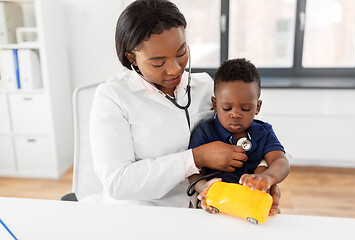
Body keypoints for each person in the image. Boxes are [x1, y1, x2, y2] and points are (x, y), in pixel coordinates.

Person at [89, 0, 282, 212]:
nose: (174, 70)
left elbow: (252, 134)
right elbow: (118, 182)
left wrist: (264, 176)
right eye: (158, 63)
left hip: (208, 208)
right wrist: (196, 158)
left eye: (181, 52)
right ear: (131, 57)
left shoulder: (205, 86)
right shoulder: (113, 97)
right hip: (144, 213)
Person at [188, 58, 290, 213]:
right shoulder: (205, 132)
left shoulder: (263, 132)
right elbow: (194, 171)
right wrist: (203, 187)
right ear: (215, 104)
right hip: (216, 206)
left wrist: (268, 178)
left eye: (246, 108)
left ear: (258, 107)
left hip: (251, 207)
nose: (235, 114)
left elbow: (281, 161)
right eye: (227, 108)